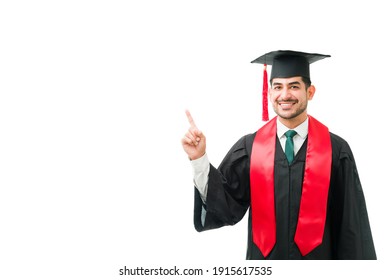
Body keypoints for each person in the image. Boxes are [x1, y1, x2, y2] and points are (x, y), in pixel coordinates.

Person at [181, 50, 377, 260]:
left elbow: (351, 225)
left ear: (310, 92)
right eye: (278, 87)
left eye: (294, 86)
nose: (285, 95)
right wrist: (199, 159)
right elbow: (224, 205)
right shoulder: (251, 148)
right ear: (269, 93)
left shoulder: (336, 150)